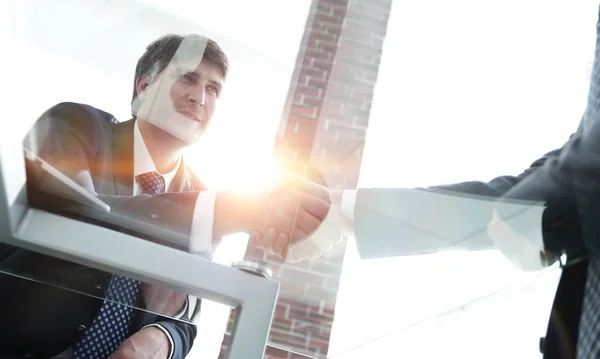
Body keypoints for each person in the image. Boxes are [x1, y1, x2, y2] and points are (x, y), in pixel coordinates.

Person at [1, 33, 330, 359]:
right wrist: (235, 211)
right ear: (144, 87)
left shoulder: (199, 196)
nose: (199, 97)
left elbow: (184, 311)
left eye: (213, 89)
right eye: (188, 78)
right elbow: (81, 212)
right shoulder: (74, 124)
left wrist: (162, 338)